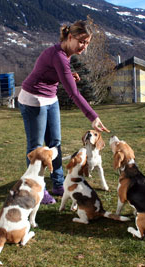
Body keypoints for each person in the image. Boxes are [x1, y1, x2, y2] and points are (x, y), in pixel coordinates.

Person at [17, 20, 110, 204]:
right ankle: (36, 189)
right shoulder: (58, 55)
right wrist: (93, 116)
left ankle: (59, 183)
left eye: (87, 43)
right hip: (33, 99)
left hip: (50, 99)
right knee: (36, 148)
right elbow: (73, 93)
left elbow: (53, 73)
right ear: (70, 37)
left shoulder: (65, 55)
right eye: (81, 41)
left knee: (55, 143)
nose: (84, 47)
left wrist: (66, 76)